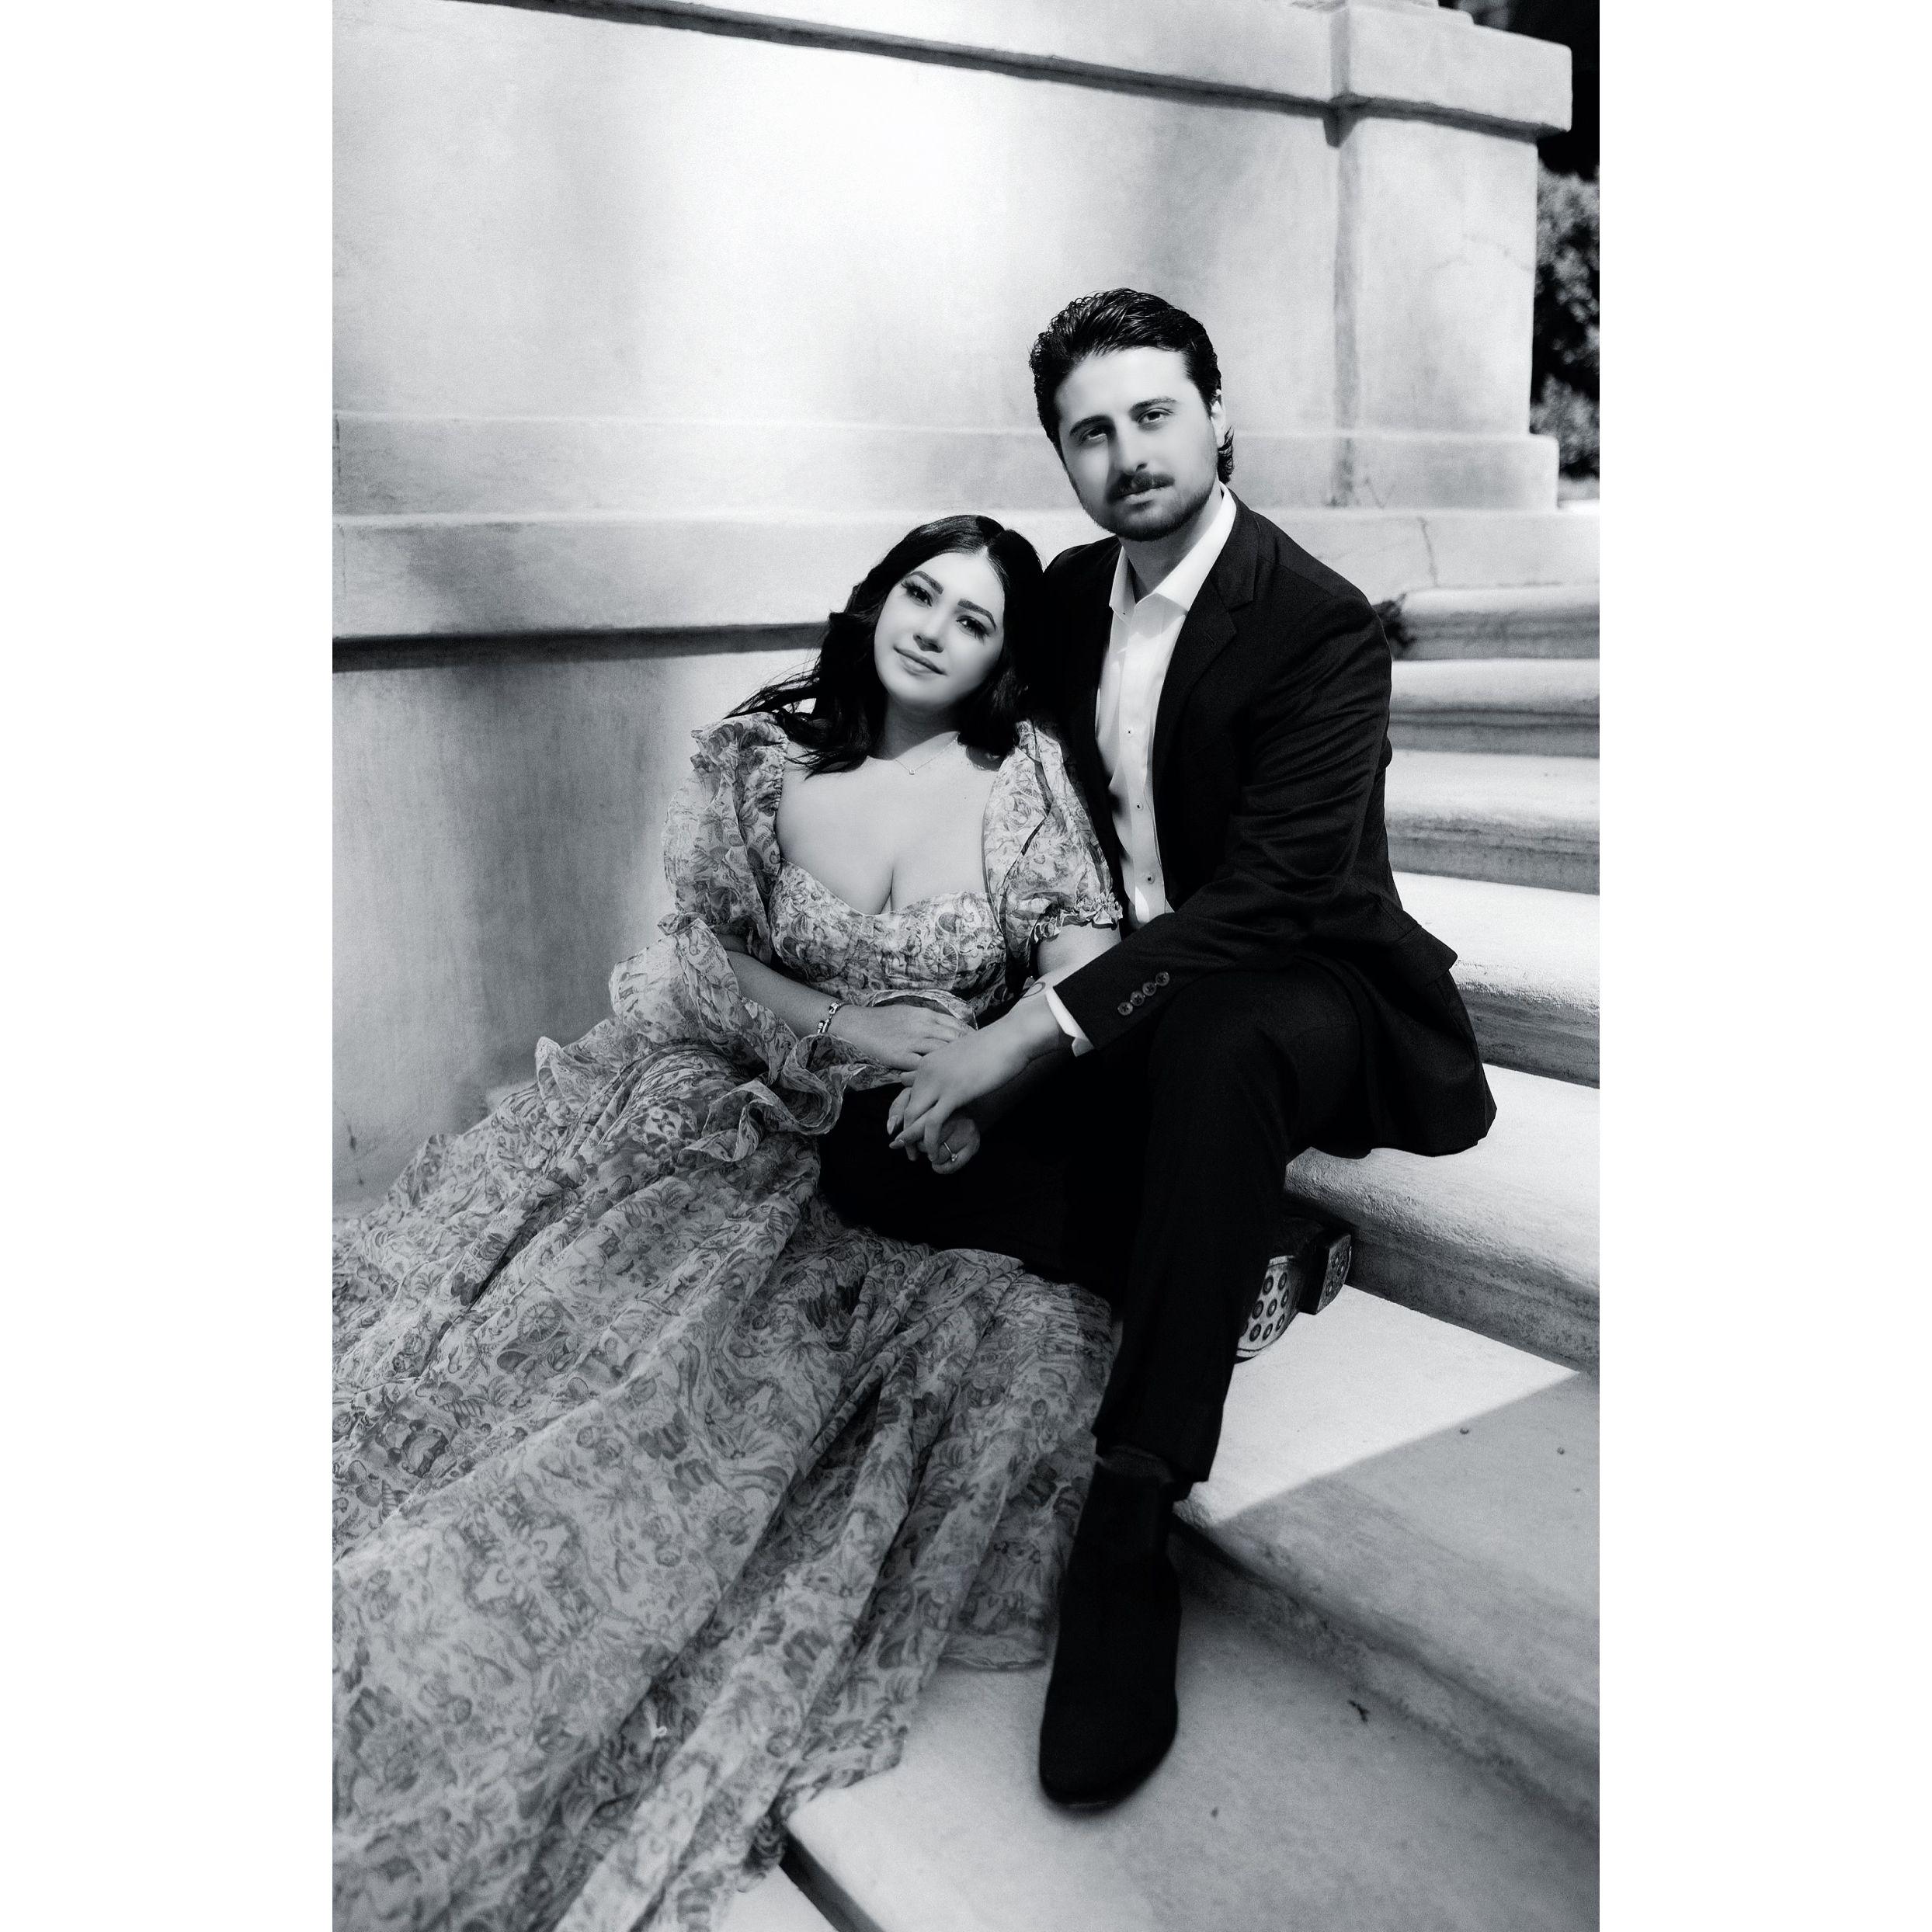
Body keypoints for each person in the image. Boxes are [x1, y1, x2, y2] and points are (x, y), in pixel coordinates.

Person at [332, 516, 1127, 1931]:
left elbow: (1089, 973)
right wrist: (844, 1025)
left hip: (923, 1141)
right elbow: (703, 954)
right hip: (744, 1093)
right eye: (921, 593)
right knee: (609, 1331)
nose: (934, 630)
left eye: (975, 621)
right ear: (878, 598)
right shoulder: (769, 764)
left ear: (1003, 661)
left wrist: (985, 1073)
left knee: (973, 1340)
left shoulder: (1024, 788)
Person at [818, 290, 1498, 1812]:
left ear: (1214, 415)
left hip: (1299, 987)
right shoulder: (1065, 599)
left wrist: (1027, 1038)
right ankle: (1240, 1240)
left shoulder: (1316, 622)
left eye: (1150, 414)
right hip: (1119, 991)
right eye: (1088, 433)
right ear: (1061, 457)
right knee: (866, 1138)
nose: (1124, 453)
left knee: (1213, 1039)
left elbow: (1269, 898)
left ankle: (1131, 1520)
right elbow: (975, 760)